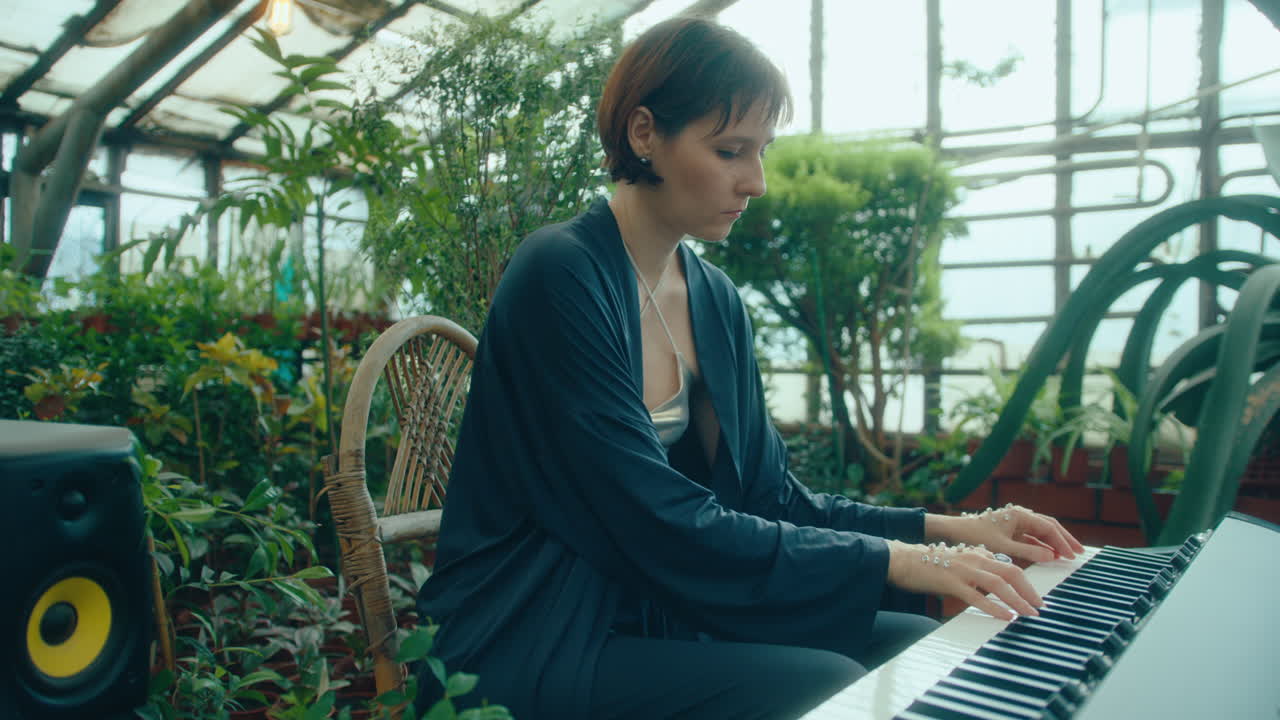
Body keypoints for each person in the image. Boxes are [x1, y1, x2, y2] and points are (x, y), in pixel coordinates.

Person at [415, 16, 1084, 720]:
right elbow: (652, 517)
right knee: (823, 683)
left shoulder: (712, 298)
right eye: (731, 150)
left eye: (762, 150)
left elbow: (772, 500)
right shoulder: (560, 275)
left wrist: (954, 530)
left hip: (655, 609)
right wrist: (898, 562)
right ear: (645, 135)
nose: (757, 181)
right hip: (534, 632)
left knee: (914, 647)